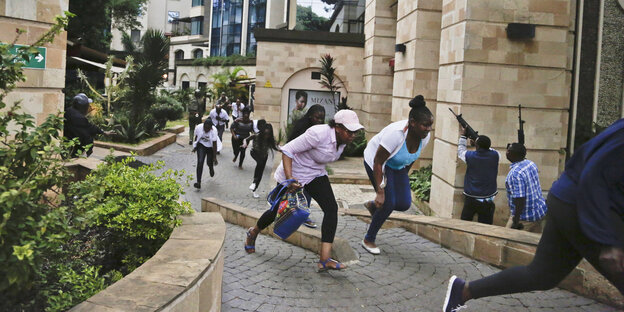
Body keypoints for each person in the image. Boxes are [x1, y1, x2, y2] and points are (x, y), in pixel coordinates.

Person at [442, 118, 624, 312]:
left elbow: (464, 155)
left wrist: (464, 138)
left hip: (562, 201)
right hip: (581, 207)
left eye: (509, 149)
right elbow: (593, 174)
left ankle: (464, 291)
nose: (506, 150)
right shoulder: (520, 163)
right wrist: (608, 240)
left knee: (542, 275)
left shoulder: (510, 169)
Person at [243, 109, 364, 271]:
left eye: (355, 132)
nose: (353, 135)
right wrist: (290, 179)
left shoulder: (342, 142)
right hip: (294, 174)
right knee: (277, 212)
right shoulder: (318, 134)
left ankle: (324, 259)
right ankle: (254, 232)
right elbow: (287, 150)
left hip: (315, 174)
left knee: (331, 209)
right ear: (338, 127)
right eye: (350, 131)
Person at [360, 95, 433, 255]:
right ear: (413, 123)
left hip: (397, 166)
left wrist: (402, 178)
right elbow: (378, 162)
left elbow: (410, 157)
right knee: (388, 202)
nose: (428, 129)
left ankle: (373, 206)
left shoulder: (424, 137)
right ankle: (368, 239)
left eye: (430, 126)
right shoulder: (396, 134)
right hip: (377, 162)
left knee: (404, 203)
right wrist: (380, 192)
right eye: (425, 125)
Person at [287, 104, 326, 228]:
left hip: (310, 166)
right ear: (310, 116)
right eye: (317, 118)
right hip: (298, 164)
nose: (319, 121)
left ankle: (303, 215)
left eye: (322, 118)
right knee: (295, 190)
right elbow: (291, 146)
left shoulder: (321, 130)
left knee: (307, 192)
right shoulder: (302, 127)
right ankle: (291, 213)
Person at [458, 130, 499, 225]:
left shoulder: (470, 156)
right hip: (488, 198)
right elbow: (489, 149)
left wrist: (463, 137)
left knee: (465, 224)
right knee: (486, 225)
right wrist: (477, 142)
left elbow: (460, 151)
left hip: (471, 198)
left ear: (477, 146)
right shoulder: (495, 155)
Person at [504, 143, 547, 232]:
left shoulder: (515, 174)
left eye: (508, 151)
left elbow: (520, 199)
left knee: (507, 240)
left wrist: (515, 221)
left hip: (525, 218)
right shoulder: (530, 164)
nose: (506, 152)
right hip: (540, 211)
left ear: (513, 154)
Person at [63, 93, 111, 157]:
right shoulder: (79, 118)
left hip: (67, 145)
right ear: (83, 106)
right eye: (87, 105)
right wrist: (89, 150)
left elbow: (89, 126)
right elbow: (87, 134)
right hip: (74, 149)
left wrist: (103, 132)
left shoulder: (69, 111)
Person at [243, 120, 279, 198]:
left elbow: (274, 147)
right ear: (263, 132)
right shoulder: (256, 135)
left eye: (268, 134)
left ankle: (254, 188)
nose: (267, 136)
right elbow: (246, 139)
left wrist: (281, 150)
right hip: (254, 153)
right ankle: (254, 182)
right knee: (259, 163)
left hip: (263, 156)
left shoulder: (270, 139)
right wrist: (245, 144)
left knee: (261, 172)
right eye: (265, 134)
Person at [192, 119, 220, 189]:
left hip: (210, 147)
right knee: (200, 162)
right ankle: (198, 182)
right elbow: (196, 137)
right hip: (201, 145)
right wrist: (195, 147)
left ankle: (211, 168)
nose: (206, 129)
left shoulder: (214, 131)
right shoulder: (199, 127)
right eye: (205, 127)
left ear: (211, 128)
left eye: (208, 128)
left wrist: (214, 157)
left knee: (209, 162)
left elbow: (214, 144)